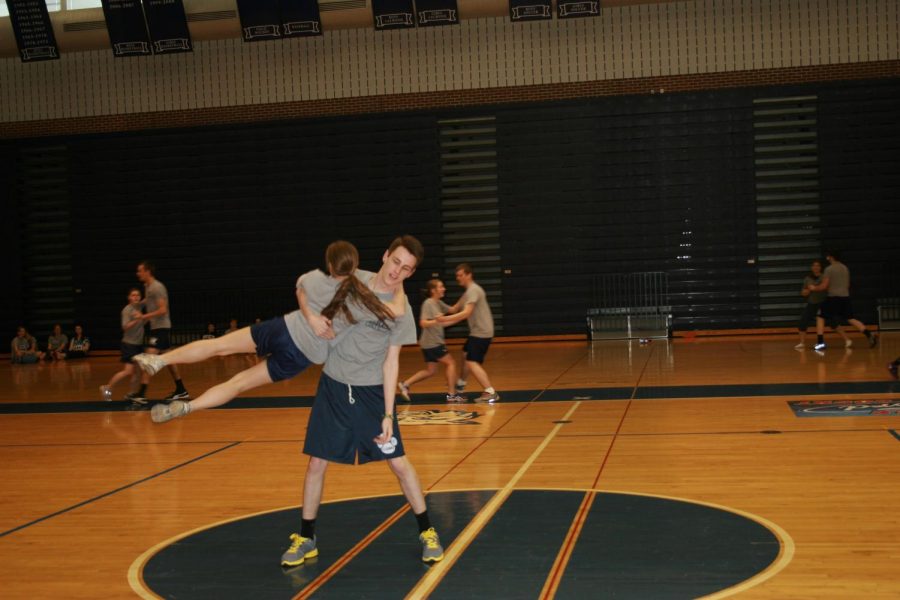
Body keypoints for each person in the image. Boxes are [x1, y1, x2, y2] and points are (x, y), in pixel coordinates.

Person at [280, 235, 445, 568]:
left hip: (371, 394)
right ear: (385, 255)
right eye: (396, 261)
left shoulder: (402, 311)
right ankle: (306, 538)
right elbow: (302, 286)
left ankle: (427, 531)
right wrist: (312, 319)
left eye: (407, 268)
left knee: (399, 464)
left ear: (411, 273)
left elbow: (391, 362)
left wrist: (387, 414)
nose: (397, 271)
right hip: (334, 387)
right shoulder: (350, 280)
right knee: (316, 464)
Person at [132, 241, 402, 423]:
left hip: (283, 329)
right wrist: (398, 285)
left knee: (220, 345)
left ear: (330, 265)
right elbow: (396, 313)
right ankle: (190, 407)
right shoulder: (362, 297)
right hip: (302, 356)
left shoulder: (316, 278)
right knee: (238, 384)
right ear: (354, 265)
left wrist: (310, 316)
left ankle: (161, 360)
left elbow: (299, 289)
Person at [435, 263, 500, 403]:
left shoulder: (473, 291)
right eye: (457, 276)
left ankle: (490, 391)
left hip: (482, 332)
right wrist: (434, 302)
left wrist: (443, 319)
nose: (458, 278)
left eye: (461, 275)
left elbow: (466, 313)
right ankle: (461, 386)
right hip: (477, 332)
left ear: (469, 275)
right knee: (465, 354)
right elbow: (454, 309)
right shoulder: (467, 293)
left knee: (471, 362)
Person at [398, 279, 465, 403]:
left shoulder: (438, 302)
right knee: (451, 363)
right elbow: (423, 323)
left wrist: (466, 298)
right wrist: (438, 321)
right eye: (441, 286)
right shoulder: (429, 303)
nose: (444, 288)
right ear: (433, 290)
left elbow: (454, 310)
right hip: (432, 343)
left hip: (430, 343)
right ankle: (451, 395)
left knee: (431, 370)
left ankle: (405, 384)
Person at [131, 260, 189, 404]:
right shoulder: (148, 286)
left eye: (140, 271)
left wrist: (143, 316)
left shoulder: (157, 287)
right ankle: (181, 389)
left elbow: (163, 309)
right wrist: (139, 304)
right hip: (158, 328)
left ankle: (142, 394)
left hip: (160, 328)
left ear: (147, 272)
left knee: (148, 359)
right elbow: (150, 301)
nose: (138, 273)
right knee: (169, 360)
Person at [808, 251, 878, 352]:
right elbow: (847, 285)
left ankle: (820, 343)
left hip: (833, 298)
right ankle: (869, 334)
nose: (827, 258)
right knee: (851, 318)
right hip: (845, 297)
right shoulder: (845, 268)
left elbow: (824, 286)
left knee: (820, 316)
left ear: (831, 257)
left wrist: (814, 288)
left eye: (828, 256)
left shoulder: (829, 269)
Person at [100, 289, 146, 400]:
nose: (136, 297)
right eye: (133, 295)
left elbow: (148, 300)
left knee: (138, 371)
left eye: (138, 295)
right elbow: (125, 327)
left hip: (138, 344)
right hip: (129, 344)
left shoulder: (139, 307)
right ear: (129, 298)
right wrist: (137, 319)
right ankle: (107, 387)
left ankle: (132, 393)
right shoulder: (127, 310)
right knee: (128, 371)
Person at [795, 260, 849, 350]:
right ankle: (802, 343)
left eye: (818, 266)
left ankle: (847, 340)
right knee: (802, 322)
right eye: (814, 265)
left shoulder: (824, 277)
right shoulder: (807, 279)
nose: (816, 267)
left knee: (833, 322)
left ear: (820, 267)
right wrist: (807, 290)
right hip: (812, 304)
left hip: (824, 303)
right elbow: (803, 292)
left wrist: (817, 288)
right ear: (812, 267)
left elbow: (828, 288)